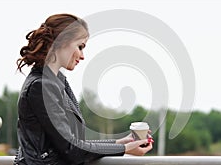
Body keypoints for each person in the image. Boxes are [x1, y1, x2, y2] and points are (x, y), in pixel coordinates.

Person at [14, 13, 153, 165]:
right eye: (80, 47)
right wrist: (124, 149)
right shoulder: (41, 86)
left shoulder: (55, 81)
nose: (82, 56)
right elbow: (71, 150)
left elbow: (72, 143)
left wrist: (120, 143)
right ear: (61, 41)